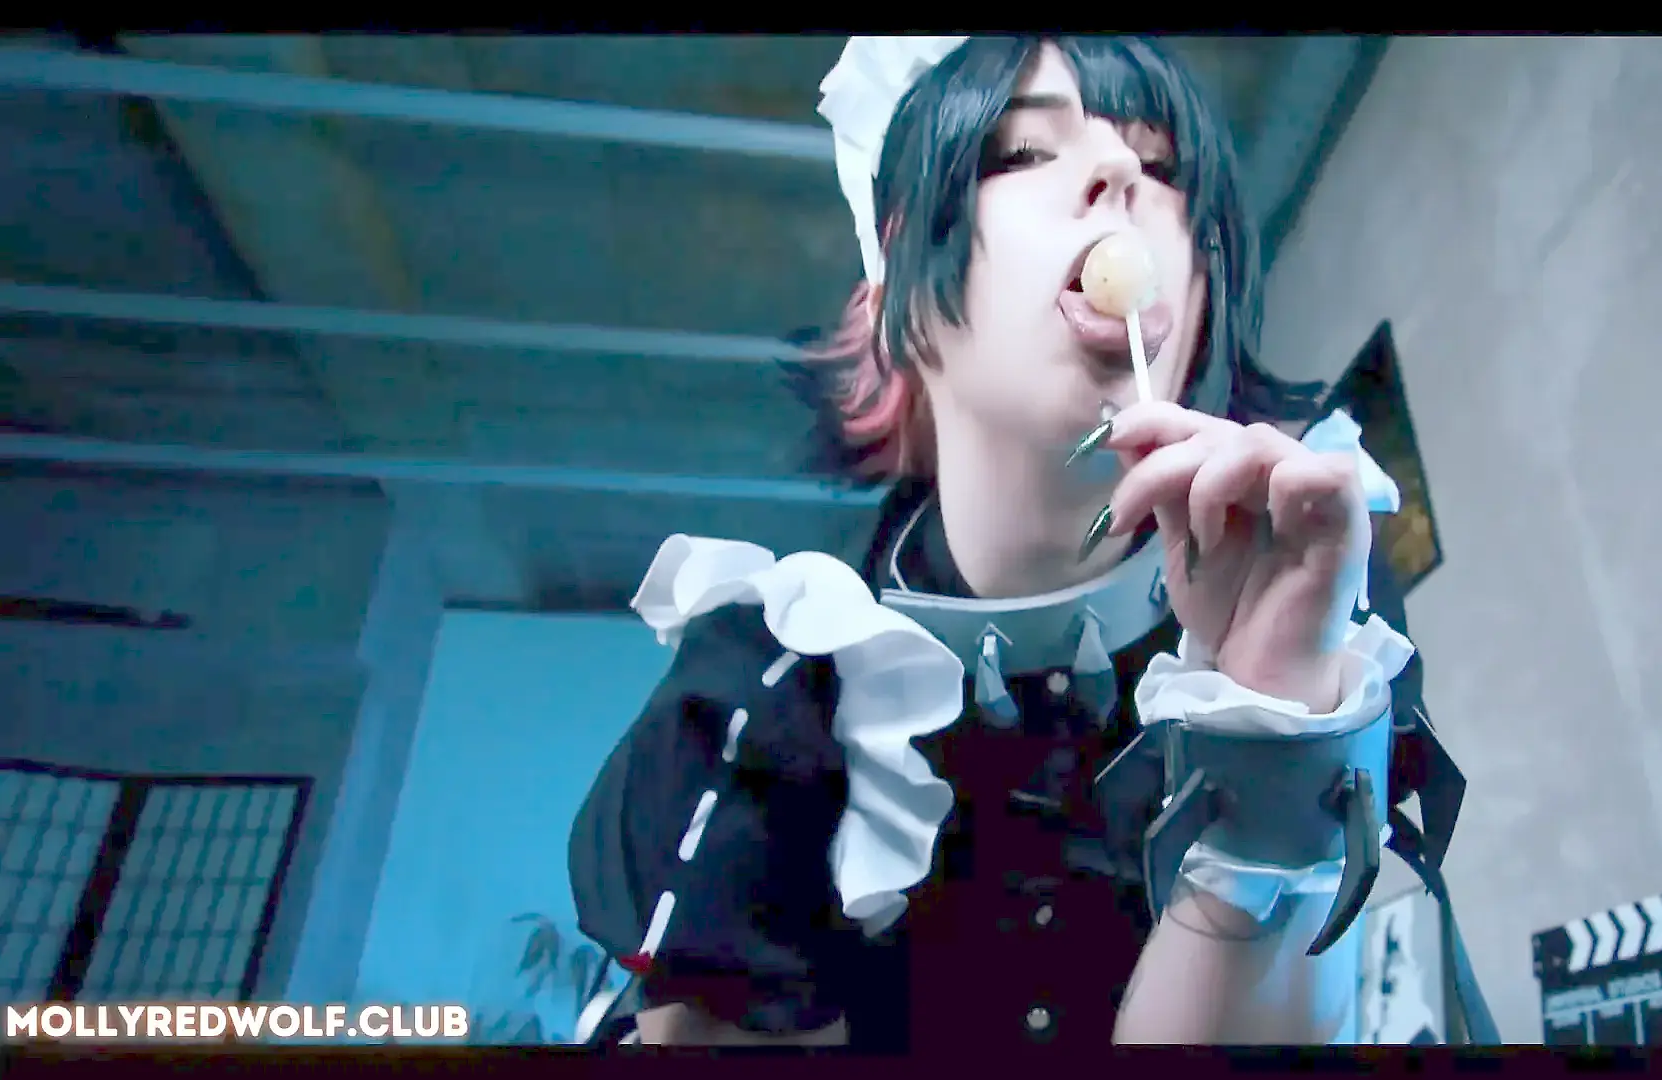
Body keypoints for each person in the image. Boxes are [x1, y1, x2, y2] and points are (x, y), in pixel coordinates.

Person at [569, 35, 1491, 1051]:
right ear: (894, 301)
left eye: (1166, 166)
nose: (1122, 171)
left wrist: (1271, 717)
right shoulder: (772, 688)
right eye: (1018, 152)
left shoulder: (1320, 609)